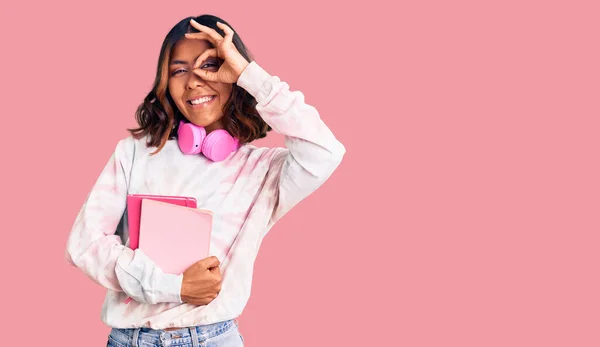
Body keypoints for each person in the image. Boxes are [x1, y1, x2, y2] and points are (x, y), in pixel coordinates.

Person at [64, 14, 345, 347]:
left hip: (212, 339)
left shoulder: (264, 170)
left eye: (211, 66)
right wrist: (172, 286)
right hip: (129, 339)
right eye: (179, 70)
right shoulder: (134, 153)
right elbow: (83, 244)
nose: (194, 82)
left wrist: (249, 75)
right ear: (164, 83)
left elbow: (325, 151)